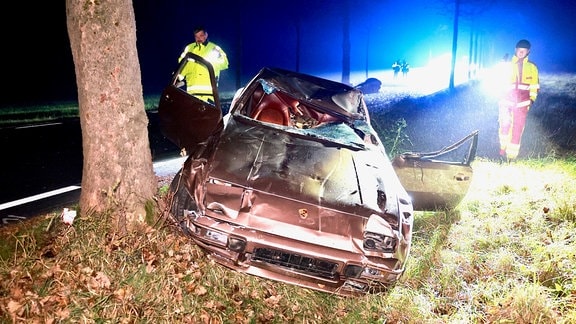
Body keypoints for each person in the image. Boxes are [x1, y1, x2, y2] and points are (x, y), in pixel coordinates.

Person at [497, 39, 539, 161]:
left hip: (522, 104)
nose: (521, 52)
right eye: (519, 50)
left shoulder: (532, 68)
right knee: (504, 126)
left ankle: (511, 157)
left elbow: (534, 87)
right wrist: (502, 64)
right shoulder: (506, 64)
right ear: (515, 50)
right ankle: (501, 152)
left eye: (524, 51)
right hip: (505, 102)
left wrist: (531, 101)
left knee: (517, 129)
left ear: (528, 52)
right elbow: (498, 79)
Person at [178, 26, 229, 102]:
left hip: (208, 95)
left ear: (206, 35)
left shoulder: (214, 48)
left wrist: (212, 64)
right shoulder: (189, 48)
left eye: (201, 36)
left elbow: (225, 63)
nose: (198, 39)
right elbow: (182, 65)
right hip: (192, 94)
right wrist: (179, 79)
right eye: (196, 36)